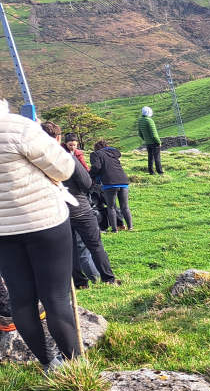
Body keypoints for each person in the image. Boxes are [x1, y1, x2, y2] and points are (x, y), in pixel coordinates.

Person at [0, 99, 85, 373]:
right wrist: (39, 135)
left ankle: (49, 362)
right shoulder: (18, 127)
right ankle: (75, 366)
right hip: (43, 221)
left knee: (21, 299)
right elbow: (64, 169)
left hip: (2, 230)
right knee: (56, 297)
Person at [43, 122, 117, 287]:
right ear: (59, 137)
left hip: (56, 211)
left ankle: (79, 282)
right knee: (95, 244)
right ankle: (108, 278)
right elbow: (86, 182)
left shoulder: (35, 159)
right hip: (79, 207)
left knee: (69, 249)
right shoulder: (67, 157)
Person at [89, 139, 132, 231]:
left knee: (111, 206)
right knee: (125, 206)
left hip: (110, 182)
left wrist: (90, 176)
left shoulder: (96, 154)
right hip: (123, 180)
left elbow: (96, 167)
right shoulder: (113, 154)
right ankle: (130, 227)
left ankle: (114, 229)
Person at [138, 106, 163, 174]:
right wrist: (158, 142)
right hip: (154, 143)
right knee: (157, 157)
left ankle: (151, 171)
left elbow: (140, 133)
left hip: (148, 142)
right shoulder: (149, 120)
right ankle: (160, 172)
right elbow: (154, 134)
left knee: (150, 157)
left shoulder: (140, 120)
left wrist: (146, 139)